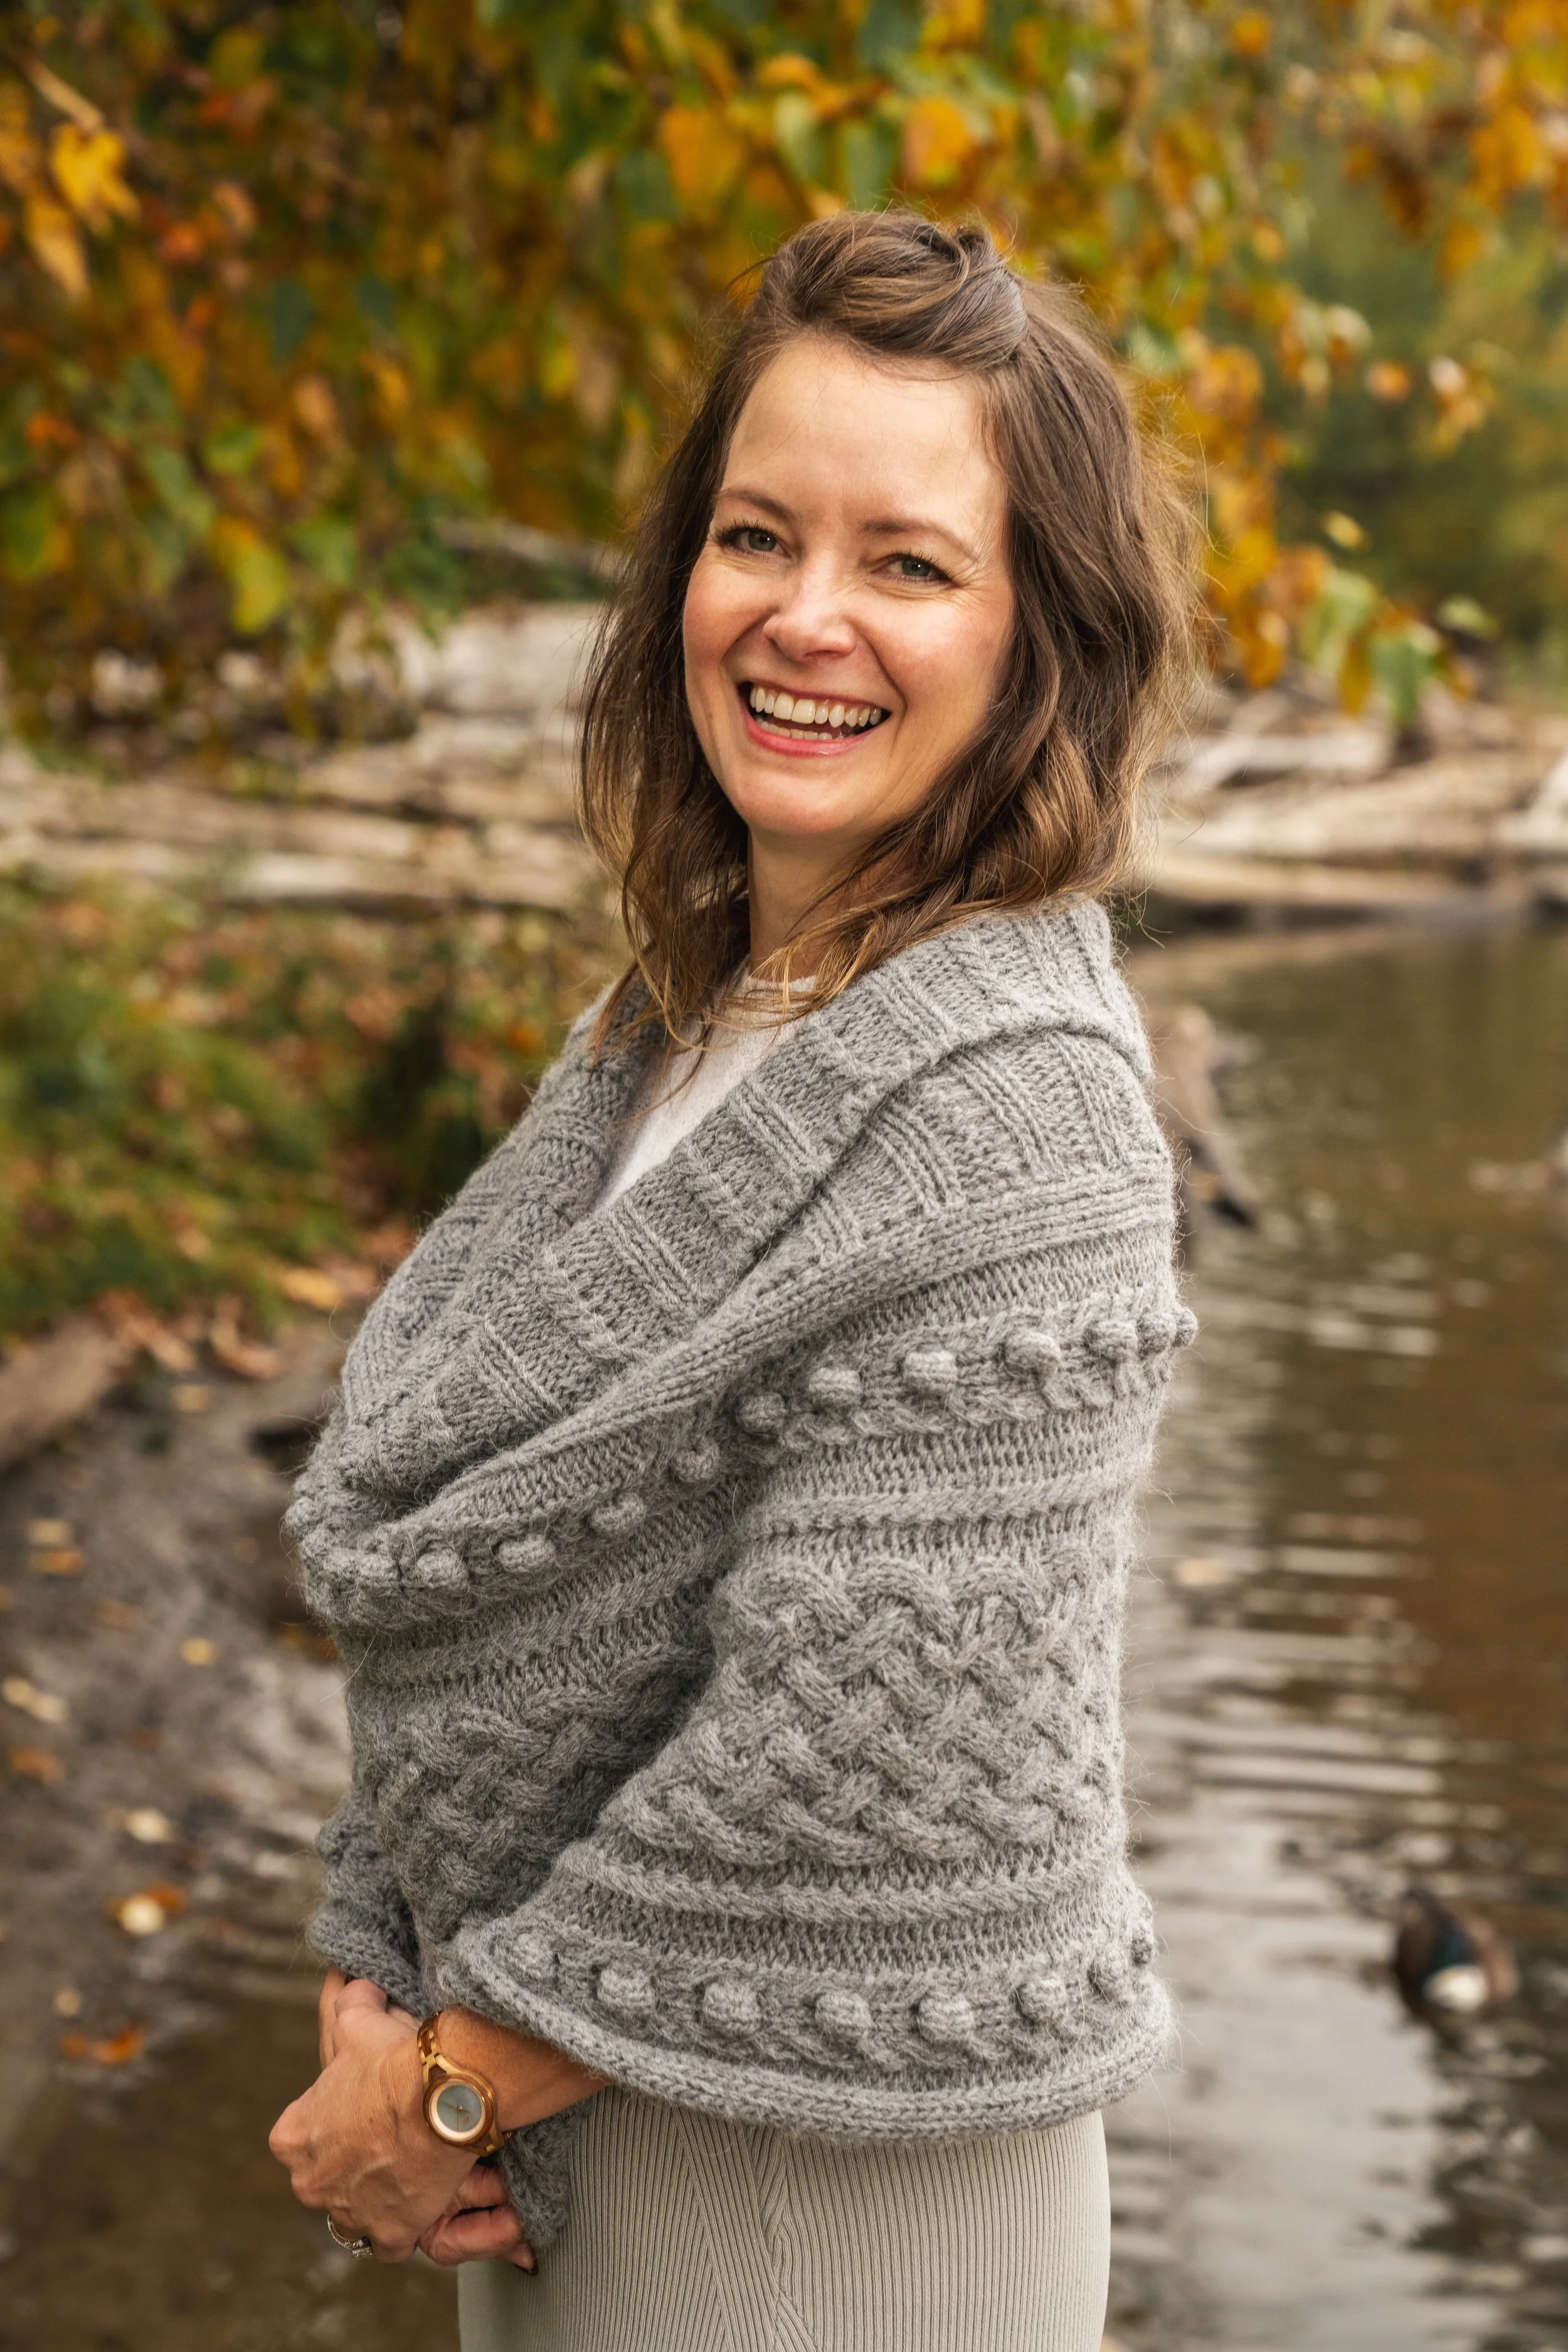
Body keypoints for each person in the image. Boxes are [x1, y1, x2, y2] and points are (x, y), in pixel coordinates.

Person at [270, 208, 1197, 2352]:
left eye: (907, 561)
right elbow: (493, 1568)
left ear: (1034, 635)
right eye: (756, 532)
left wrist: (426, 2087)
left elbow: (876, 1773)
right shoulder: (672, 1025)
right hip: (565, 2130)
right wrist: (375, 1961)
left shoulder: (1018, 1113)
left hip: (831, 2224)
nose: (804, 617)